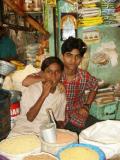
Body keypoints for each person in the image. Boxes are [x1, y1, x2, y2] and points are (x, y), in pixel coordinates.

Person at [22, 37, 99, 134]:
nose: (73, 60)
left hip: (78, 117)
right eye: (69, 55)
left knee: (101, 130)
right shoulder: (53, 72)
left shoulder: (84, 76)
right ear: (62, 56)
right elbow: (25, 82)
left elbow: (94, 86)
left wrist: (87, 105)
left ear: (81, 58)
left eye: (77, 56)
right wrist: (55, 81)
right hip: (56, 121)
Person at [9, 56, 66, 137]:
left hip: (45, 132)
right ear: (43, 74)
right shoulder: (33, 88)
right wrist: (43, 95)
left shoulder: (61, 94)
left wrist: (59, 131)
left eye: (57, 72)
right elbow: (30, 117)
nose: (53, 76)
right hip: (24, 130)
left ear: (62, 74)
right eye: (49, 71)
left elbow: (59, 120)